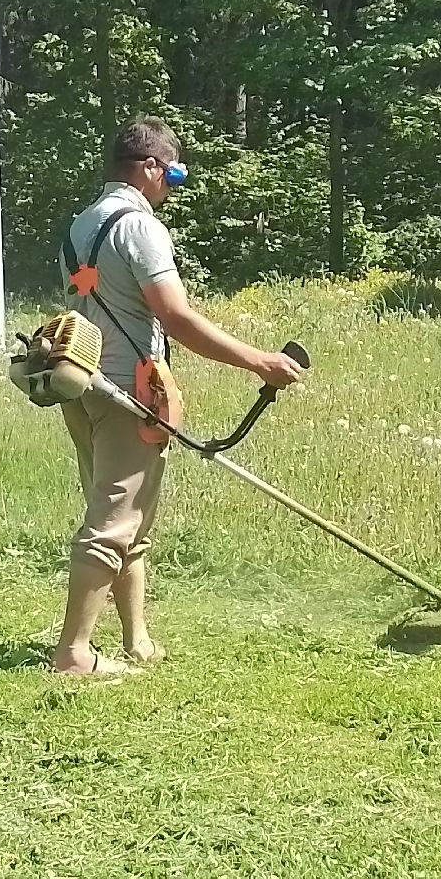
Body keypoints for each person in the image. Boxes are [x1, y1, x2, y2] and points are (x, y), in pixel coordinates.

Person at [51, 115, 305, 676]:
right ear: (149, 168)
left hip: (84, 384)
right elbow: (175, 316)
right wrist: (257, 360)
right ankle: (72, 655)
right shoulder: (140, 228)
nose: (172, 189)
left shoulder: (80, 224)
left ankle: (137, 640)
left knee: (131, 521)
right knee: (113, 524)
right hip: (129, 394)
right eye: (174, 176)